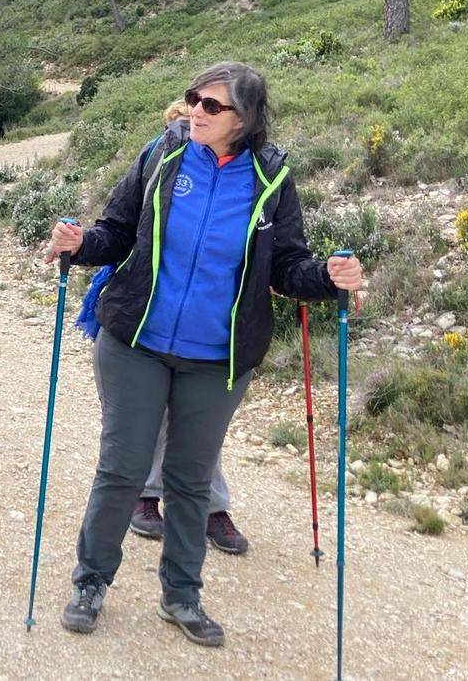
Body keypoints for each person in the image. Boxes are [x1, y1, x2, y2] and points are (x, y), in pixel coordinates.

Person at [46, 62, 362, 647]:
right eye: (194, 99)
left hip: (218, 357)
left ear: (243, 120)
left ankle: (181, 596)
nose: (196, 111)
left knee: (190, 481)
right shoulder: (163, 156)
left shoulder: (271, 179)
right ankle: (90, 582)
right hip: (135, 341)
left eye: (212, 106)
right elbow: (116, 231)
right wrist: (79, 243)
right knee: (121, 470)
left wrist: (329, 276)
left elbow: (288, 266)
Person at [130, 99, 247, 556]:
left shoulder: (247, 171)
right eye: (181, 122)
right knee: (151, 418)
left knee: (200, 427)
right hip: (146, 316)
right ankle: (146, 495)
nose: (187, 130)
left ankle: (207, 505)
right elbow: (125, 227)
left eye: (197, 119)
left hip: (206, 326)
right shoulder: (157, 156)